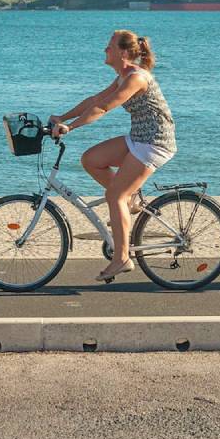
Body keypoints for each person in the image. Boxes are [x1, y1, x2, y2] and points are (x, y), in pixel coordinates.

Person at [48, 30, 176, 283]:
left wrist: (70, 128)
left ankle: (122, 258)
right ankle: (131, 200)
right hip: (139, 138)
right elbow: (95, 99)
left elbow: (104, 107)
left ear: (123, 52)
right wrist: (62, 117)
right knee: (91, 160)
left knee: (114, 195)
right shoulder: (123, 75)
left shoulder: (137, 79)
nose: (105, 50)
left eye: (109, 47)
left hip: (155, 142)